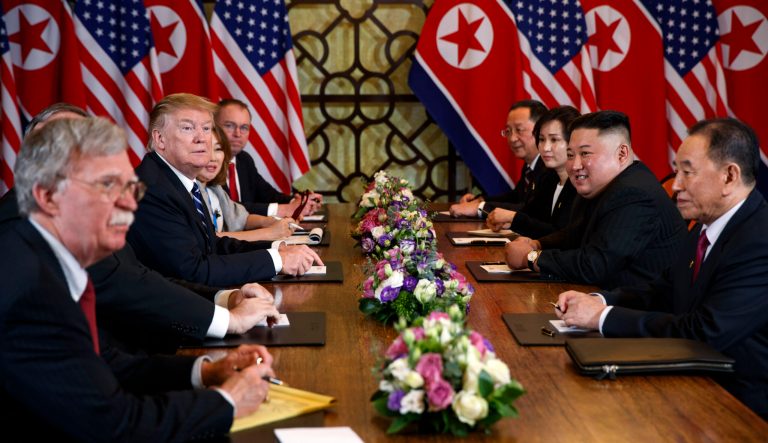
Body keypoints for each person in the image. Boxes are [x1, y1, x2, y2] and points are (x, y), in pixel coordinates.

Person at [0, 117, 274, 439]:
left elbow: (103, 362)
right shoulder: (28, 289)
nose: (129, 204)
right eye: (107, 186)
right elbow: (116, 425)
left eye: (130, 187)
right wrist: (227, 402)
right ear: (47, 196)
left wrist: (207, 371)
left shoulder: (53, 255)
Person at [0, 103, 281, 354]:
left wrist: (225, 300)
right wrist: (228, 320)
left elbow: (139, 275)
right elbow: (132, 287)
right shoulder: (20, 225)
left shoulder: (78, 216)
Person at [555, 118, 768, 419]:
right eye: (676, 170)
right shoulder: (704, 229)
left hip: (739, 405)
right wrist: (601, 301)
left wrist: (602, 317)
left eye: (687, 172)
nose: (676, 184)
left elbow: (704, 333)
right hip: (690, 380)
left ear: (729, 176)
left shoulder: (759, 241)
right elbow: (662, 291)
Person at [128, 93, 323, 287]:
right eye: (188, 128)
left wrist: (277, 249)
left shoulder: (181, 181)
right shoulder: (152, 188)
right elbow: (193, 270)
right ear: (160, 139)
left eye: (206, 128)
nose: (202, 139)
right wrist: (276, 261)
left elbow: (211, 245)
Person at [505, 111, 686, 289]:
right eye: (570, 155)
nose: (575, 166)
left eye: (585, 154)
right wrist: (537, 244)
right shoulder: (601, 185)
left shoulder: (635, 194)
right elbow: (574, 235)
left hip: (638, 310)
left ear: (622, 154)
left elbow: (595, 265)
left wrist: (531, 258)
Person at [216, 98, 323, 217]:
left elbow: (267, 194)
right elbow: (227, 208)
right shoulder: (207, 165)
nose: (237, 134)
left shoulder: (244, 159)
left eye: (244, 127)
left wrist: (299, 202)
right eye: (229, 126)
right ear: (214, 127)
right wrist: (282, 210)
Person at [486, 105, 580, 238]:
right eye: (541, 140)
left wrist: (514, 218)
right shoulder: (549, 179)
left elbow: (562, 234)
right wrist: (510, 222)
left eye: (554, 140)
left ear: (572, 141)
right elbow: (532, 216)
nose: (545, 148)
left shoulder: (580, 184)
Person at [449, 100, 548, 217]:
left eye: (519, 130)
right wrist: (480, 200)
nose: (512, 138)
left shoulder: (549, 168)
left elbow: (531, 209)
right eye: (508, 131)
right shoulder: (530, 167)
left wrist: (480, 208)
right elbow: (515, 198)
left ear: (540, 131)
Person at [198, 125, 297, 241]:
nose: (213, 158)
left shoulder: (214, 189)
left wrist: (269, 221)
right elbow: (208, 241)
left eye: (218, 149)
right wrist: (268, 233)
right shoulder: (190, 191)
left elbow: (241, 219)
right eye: (204, 150)